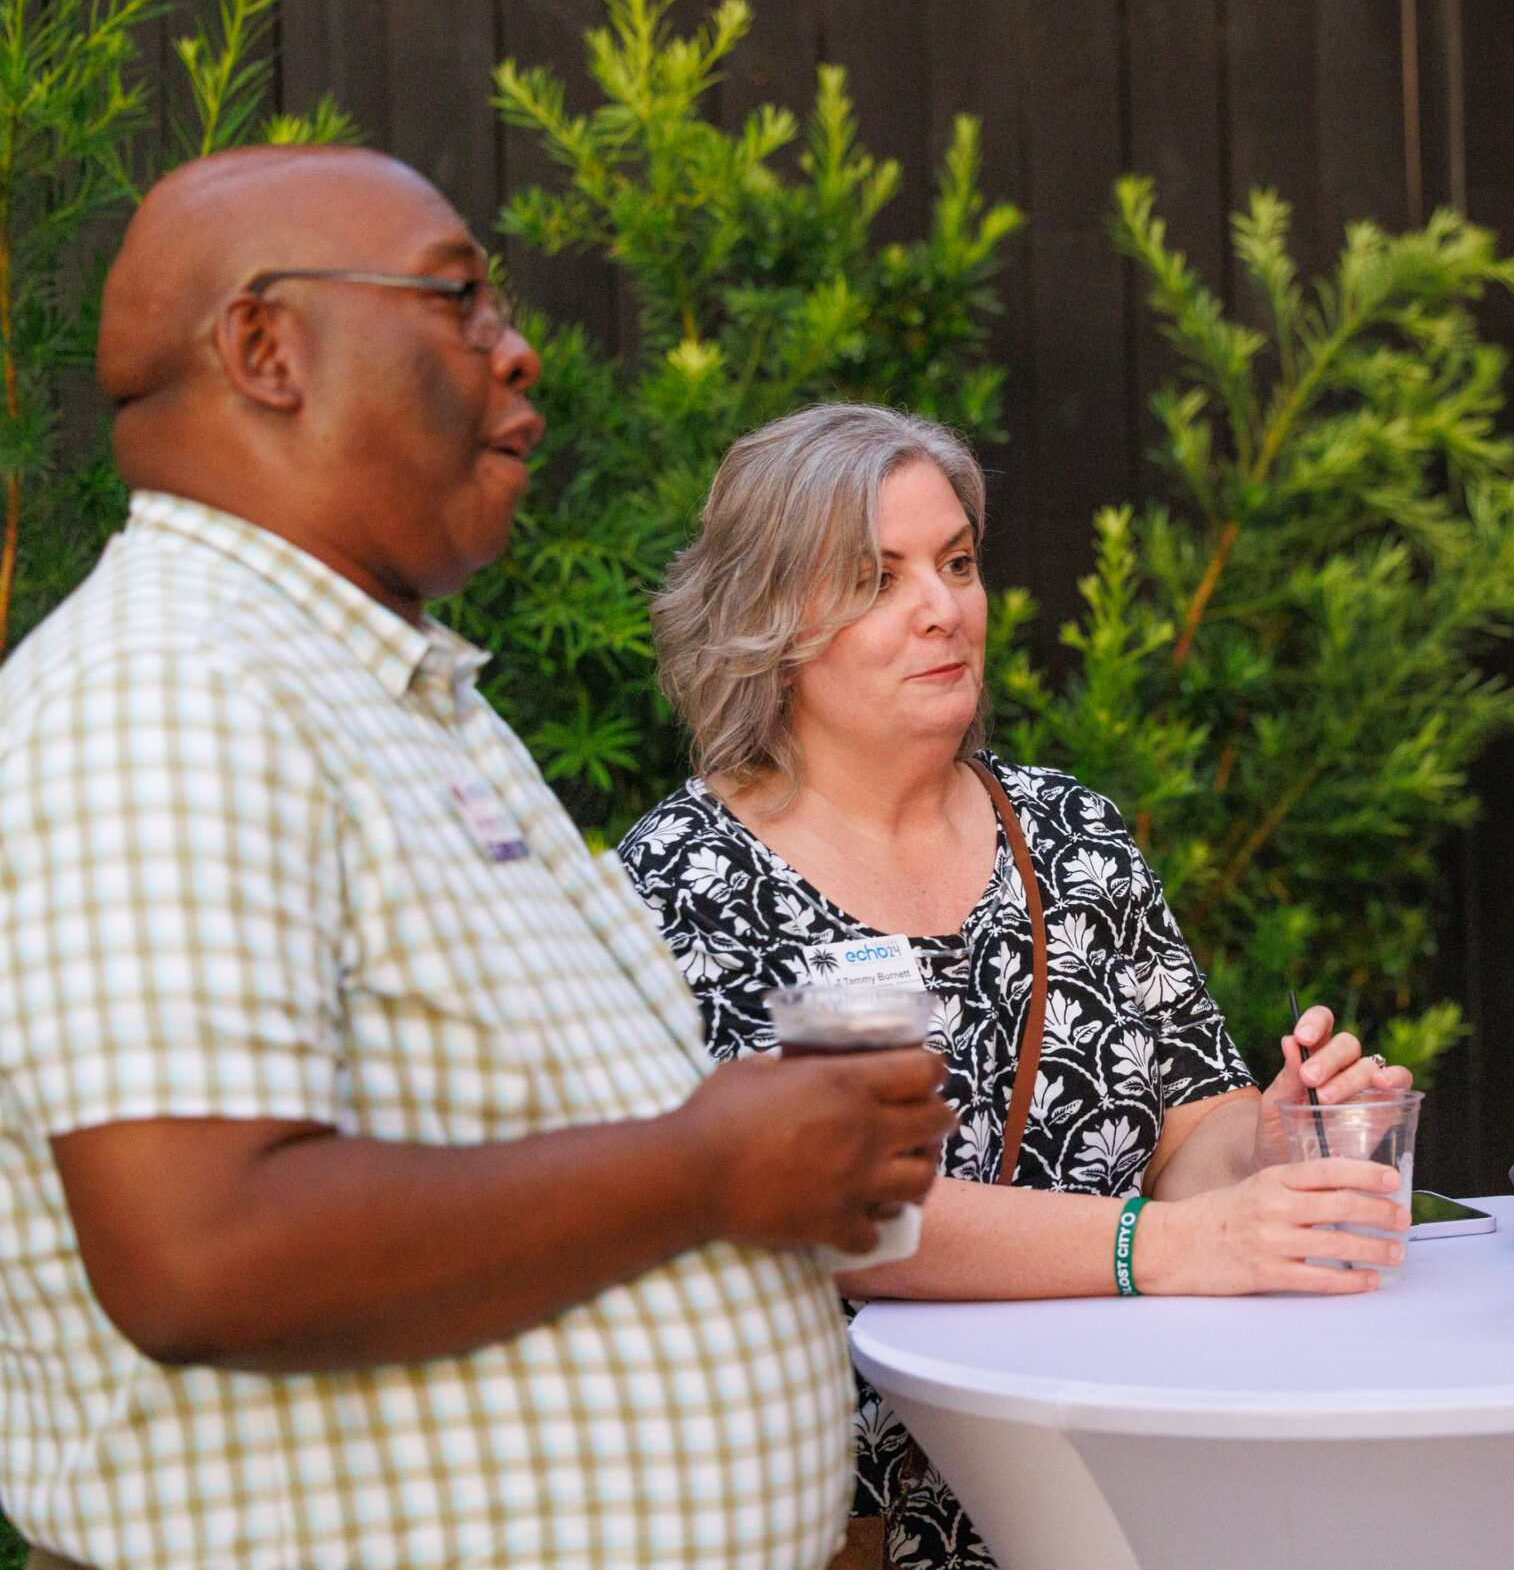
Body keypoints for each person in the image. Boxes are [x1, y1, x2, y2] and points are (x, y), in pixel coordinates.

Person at [0, 146, 954, 1570]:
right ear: (265, 347)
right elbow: (202, 1247)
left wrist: (777, 1153)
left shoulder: (389, 696)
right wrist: (705, 1166)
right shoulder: (169, 688)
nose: (520, 354)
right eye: (459, 302)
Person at [618, 402, 1413, 1570]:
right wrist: (1178, 1247)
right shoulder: (691, 877)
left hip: (1111, 1488)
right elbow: (850, 1219)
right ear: (769, 621)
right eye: (876, 578)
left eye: (955, 562)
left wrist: (1268, 1142)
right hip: (841, 1522)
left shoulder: (1070, 833)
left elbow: (1188, 1123)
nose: (942, 608)